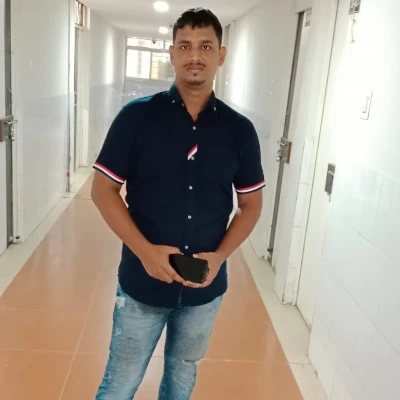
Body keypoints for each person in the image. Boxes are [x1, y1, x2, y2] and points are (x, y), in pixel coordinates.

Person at [91, 7, 265, 400]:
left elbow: (251, 205)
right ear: (171, 53)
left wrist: (220, 257)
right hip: (142, 283)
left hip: (204, 289)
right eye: (185, 46)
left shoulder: (239, 131)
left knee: (182, 380)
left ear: (221, 54)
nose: (195, 56)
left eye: (206, 46)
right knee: (120, 383)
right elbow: (102, 190)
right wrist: (145, 252)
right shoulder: (136, 118)